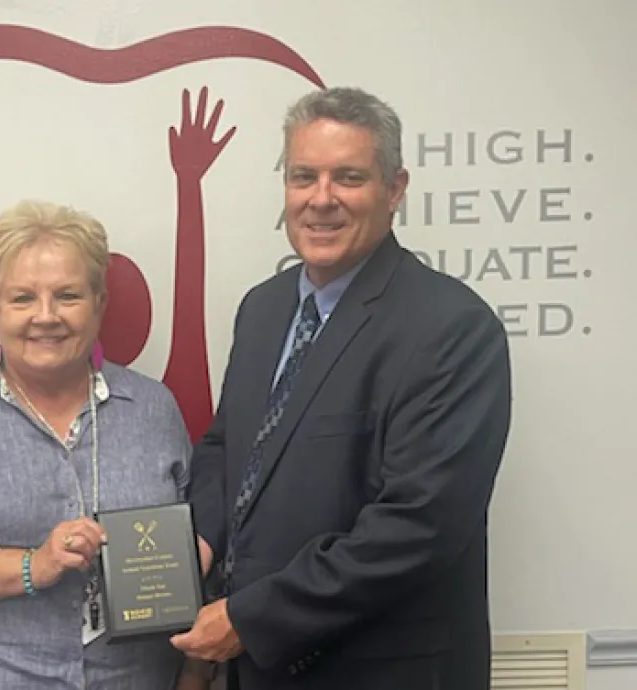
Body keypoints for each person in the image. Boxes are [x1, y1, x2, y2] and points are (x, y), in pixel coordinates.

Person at [171, 87, 513, 690]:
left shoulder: (452, 327)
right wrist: (197, 539)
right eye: (304, 176)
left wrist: (253, 618)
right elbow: (229, 448)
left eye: (348, 177)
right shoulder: (264, 309)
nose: (321, 199)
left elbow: (417, 526)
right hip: (255, 671)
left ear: (395, 189)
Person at [0, 200, 210, 689]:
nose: (46, 316)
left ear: (99, 305)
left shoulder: (152, 409)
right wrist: (37, 564)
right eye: (22, 299)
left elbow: (198, 540)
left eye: (68, 295)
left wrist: (196, 667)